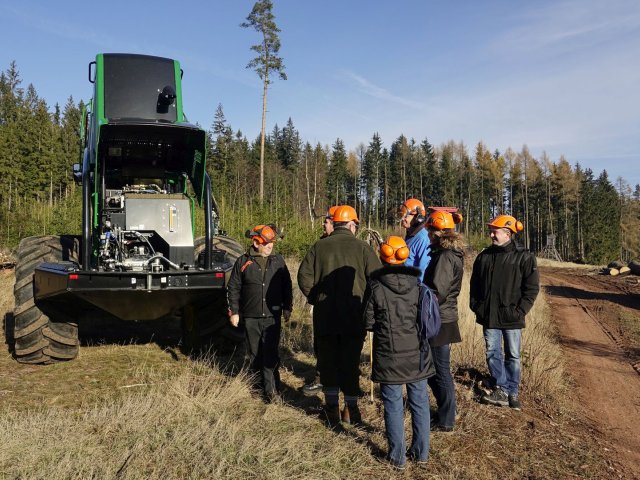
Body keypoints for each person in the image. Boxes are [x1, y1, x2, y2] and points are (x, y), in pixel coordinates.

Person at [297, 205, 381, 425]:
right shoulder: (363, 248)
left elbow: (303, 276)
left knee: (328, 363)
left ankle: (331, 408)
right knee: (350, 363)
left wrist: (316, 297)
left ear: (335, 224)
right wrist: (369, 307)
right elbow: (378, 280)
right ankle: (350, 410)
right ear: (352, 224)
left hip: (325, 316)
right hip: (354, 316)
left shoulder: (319, 246)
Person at [364, 235, 435, 469]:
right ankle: (422, 454)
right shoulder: (418, 285)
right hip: (417, 354)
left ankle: (397, 458)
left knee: (393, 405)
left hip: (388, 355)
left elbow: (368, 321)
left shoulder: (375, 286)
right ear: (405, 255)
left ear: (382, 256)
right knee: (420, 403)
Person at [470, 214, 540, 410]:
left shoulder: (524, 257)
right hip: (489, 315)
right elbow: (474, 284)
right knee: (492, 353)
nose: (491, 235)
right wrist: (476, 306)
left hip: (512, 317)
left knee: (513, 355)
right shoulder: (484, 256)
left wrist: (520, 311)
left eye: (495, 232)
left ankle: (512, 390)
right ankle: (501, 388)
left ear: (508, 234)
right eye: (491, 231)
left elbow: (531, 289)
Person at [228, 224, 293, 403]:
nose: (270, 246)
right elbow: (233, 287)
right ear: (256, 243)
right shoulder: (243, 262)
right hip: (251, 316)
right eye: (266, 243)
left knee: (271, 353)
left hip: (273, 316)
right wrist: (234, 312)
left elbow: (287, 286)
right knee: (254, 353)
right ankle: (257, 388)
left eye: (271, 243)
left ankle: (272, 391)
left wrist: (287, 307)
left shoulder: (278, 261)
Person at [423, 210, 465, 432]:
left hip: (440, 319)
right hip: (441, 317)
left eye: (429, 230)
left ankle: (447, 419)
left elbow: (437, 291)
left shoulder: (445, 257)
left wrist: (420, 299)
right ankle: (445, 412)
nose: (427, 234)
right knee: (434, 369)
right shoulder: (446, 254)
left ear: (436, 232)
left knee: (439, 370)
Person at [302, 205, 339, 397]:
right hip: (324, 306)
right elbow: (305, 275)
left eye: (327, 221)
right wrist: (314, 296)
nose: (323, 224)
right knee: (322, 343)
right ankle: (321, 378)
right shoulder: (320, 245)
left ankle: (337, 382)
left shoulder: (351, 246)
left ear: (335, 223)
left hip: (343, 307)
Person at [399, 198, 430, 278]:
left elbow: (423, 271)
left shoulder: (423, 239)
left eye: (406, 216)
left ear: (418, 217)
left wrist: (417, 285)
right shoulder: (411, 234)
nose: (403, 219)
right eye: (402, 216)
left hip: (413, 284)